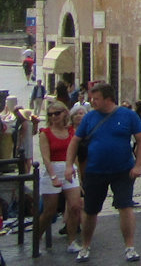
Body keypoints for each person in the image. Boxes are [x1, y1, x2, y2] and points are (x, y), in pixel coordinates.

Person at [66, 81, 141, 263]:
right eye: (91, 98)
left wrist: (138, 165)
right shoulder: (89, 118)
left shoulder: (128, 116)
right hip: (95, 170)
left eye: (96, 99)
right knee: (90, 210)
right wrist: (68, 165)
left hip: (123, 170)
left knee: (125, 207)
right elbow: (75, 142)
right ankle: (86, 246)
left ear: (108, 98)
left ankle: (130, 247)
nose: (92, 102)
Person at [34, 100, 82, 254]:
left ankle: (72, 241)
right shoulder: (45, 133)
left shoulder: (72, 132)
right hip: (53, 169)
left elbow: (74, 155)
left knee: (75, 206)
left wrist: (79, 179)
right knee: (50, 211)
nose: (53, 116)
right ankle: (36, 240)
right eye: (50, 114)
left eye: (57, 113)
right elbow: (46, 158)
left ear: (64, 114)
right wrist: (53, 176)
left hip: (69, 169)